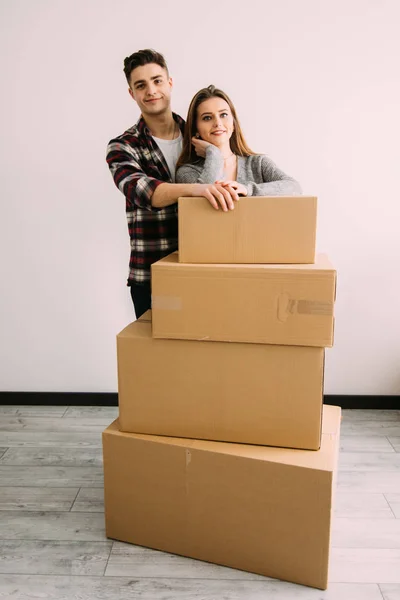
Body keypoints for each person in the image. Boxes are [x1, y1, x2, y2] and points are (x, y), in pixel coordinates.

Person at [106, 51, 238, 318]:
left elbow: (237, 179)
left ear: (170, 83)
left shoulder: (204, 130)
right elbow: (141, 191)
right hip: (152, 277)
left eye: (157, 81)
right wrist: (196, 189)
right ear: (132, 93)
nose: (151, 91)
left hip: (206, 272)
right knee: (159, 359)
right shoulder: (123, 146)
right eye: (141, 85)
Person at [176, 85, 302, 198]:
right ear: (195, 128)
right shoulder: (187, 172)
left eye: (223, 115)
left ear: (234, 123)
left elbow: (294, 188)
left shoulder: (257, 164)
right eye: (207, 118)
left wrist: (248, 190)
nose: (218, 123)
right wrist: (214, 154)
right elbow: (201, 204)